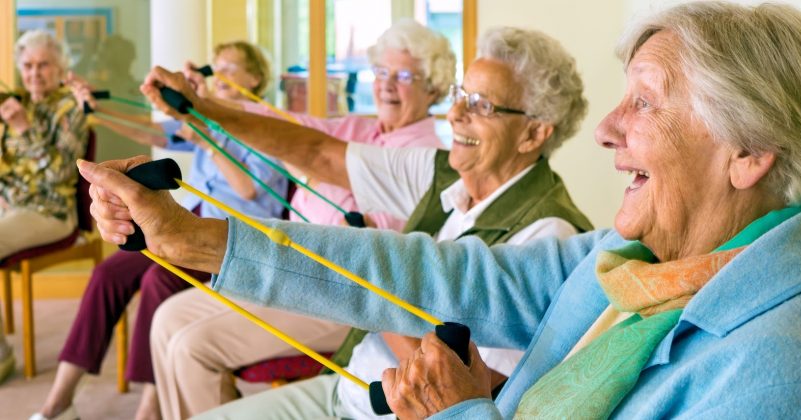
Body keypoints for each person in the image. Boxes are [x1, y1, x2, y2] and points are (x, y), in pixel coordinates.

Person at [85, 1, 801, 418]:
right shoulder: (636, 258)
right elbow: (433, 272)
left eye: (645, 102)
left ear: (746, 150)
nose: (606, 130)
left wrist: (454, 409)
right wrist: (194, 239)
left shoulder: (778, 367)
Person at [151, 25, 591, 419]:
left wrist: (370, 285)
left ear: (534, 133)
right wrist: (200, 109)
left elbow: (488, 388)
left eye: (481, 105)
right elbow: (318, 152)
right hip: (345, 388)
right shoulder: (442, 172)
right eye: (461, 96)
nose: (456, 115)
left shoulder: (550, 234)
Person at [149, 20, 455, 419]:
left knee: (191, 347)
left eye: (403, 76)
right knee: (167, 319)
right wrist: (204, 104)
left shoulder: (426, 156)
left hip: (338, 293)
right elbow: (292, 130)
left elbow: (377, 250)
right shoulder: (358, 128)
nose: (386, 84)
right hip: (285, 268)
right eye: (381, 72)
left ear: (432, 87)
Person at [32, 41, 288, 420]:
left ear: (257, 76)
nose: (220, 75)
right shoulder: (208, 118)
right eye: (216, 67)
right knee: (109, 273)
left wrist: (207, 139)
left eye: (231, 68)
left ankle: (150, 407)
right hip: (192, 223)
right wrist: (98, 111)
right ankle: (60, 401)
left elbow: (249, 190)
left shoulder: (265, 125)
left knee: (157, 278)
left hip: (236, 238)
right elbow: (148, 131)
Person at [0, 30, 88, 386]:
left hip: (52, 212)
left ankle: (1, 357)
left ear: (60, 67)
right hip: (12, 207)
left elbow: (59, 174)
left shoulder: (70, 108)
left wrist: (23, 127)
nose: (35, 73)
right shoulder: (18, 101)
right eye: (28, 65)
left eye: (44, 65)